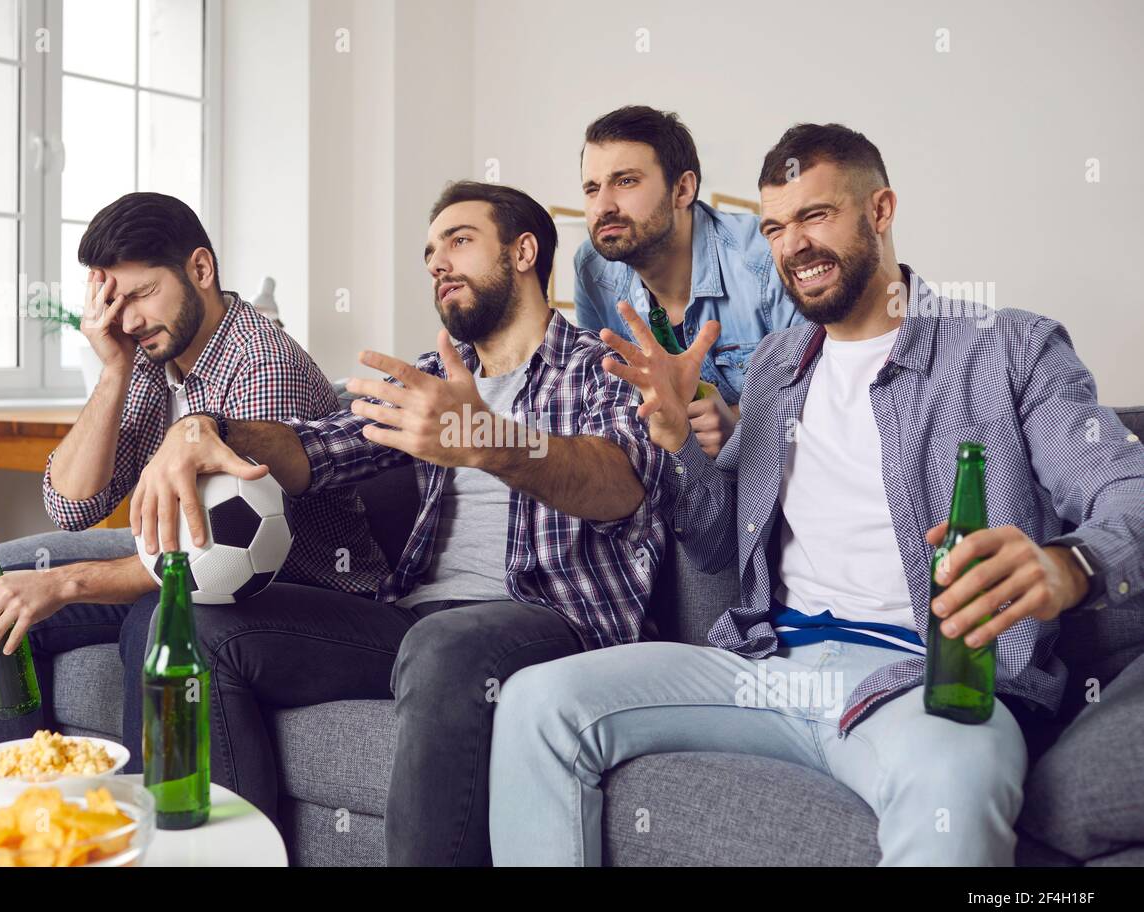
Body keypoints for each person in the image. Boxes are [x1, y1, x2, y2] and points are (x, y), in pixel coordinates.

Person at [488, 123, 1144, 866]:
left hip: (919, 680)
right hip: (767, 666)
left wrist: (1072, 566)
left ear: (881, 211)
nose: (792, 245)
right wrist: (678, 446)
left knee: (955, 784)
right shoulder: (776, 365)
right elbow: (713, 541)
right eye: (773, 226)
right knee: (538, 705)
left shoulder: (1007, 348)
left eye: (815, 216)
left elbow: (1128, 489)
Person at [130, 181, 667, 865]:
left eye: (460, 241)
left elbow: (618, 485)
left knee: (444, 647)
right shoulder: (429, 381)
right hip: (415, 622)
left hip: (554, 621)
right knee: (204, 627)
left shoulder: (603, 368)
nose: (438, 262)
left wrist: (486, 439)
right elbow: (314, 451)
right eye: (429, 252)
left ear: (524, 250)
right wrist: (205, 426)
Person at [0, 192, 387, 767]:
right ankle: (25, 800)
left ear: (201, 269)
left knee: (155, 618)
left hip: (297, 587)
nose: (129, 318)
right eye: (116, 299)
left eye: (141, 293)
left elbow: (212, 556)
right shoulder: (149, 358)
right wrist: (113, 368)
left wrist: (65, 584)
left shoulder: (263, 364)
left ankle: (148, 834)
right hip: (188, 558)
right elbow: (69, 504)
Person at [573, 105, 803, 459]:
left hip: (778, 486)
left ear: (682, 189)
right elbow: (605, 402)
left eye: (626, 181)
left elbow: (823, 397)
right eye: (591, 188)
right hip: (675, 494)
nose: (602, 205)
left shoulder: (766, 257)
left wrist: (741, 425)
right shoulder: (593, 269)